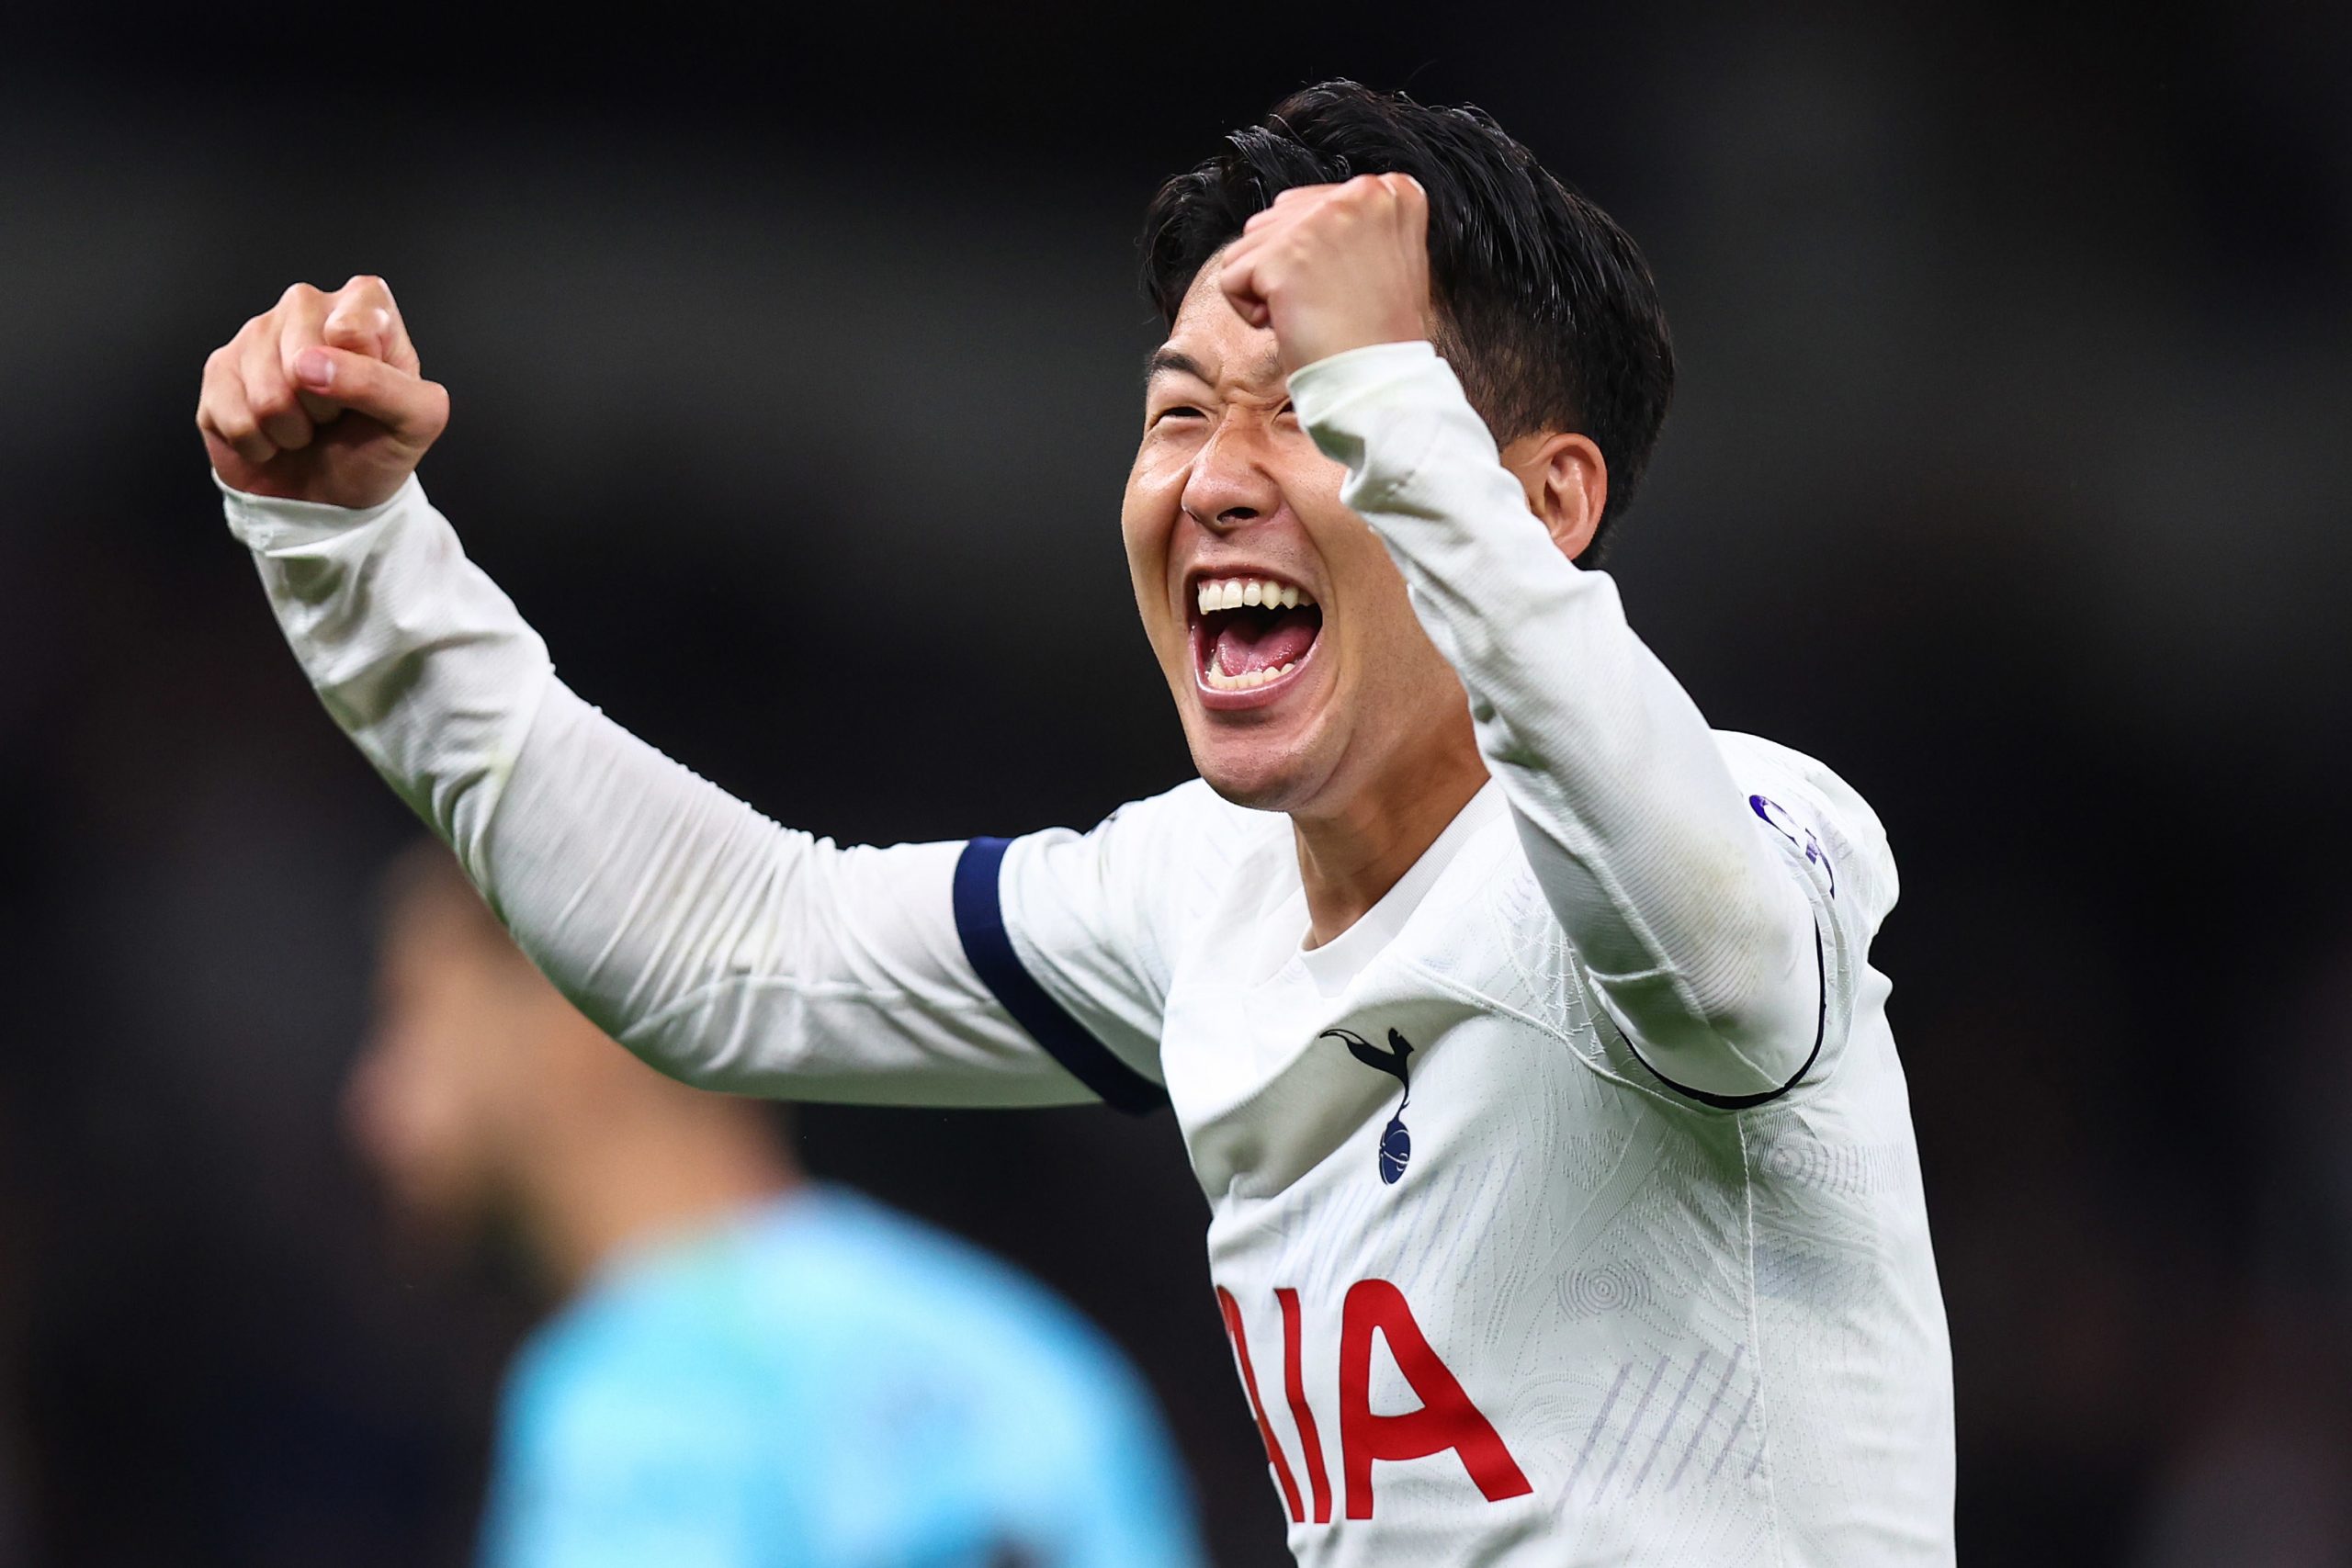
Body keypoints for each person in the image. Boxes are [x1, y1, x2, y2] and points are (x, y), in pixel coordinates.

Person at [199, 80, 1954, 1565]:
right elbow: (735, 949)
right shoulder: (1200, 894)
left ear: (1540, 500)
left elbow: (1699, 925)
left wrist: (1400, 403)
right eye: (1181, 413)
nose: (1213, 478)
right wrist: (355, 556)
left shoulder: (1744, 829)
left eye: (1314, 410)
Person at [348, 840, 1205, 1568]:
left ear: (577, 1008)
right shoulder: (1035, 1361)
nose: (372, 1103)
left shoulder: (631, 1395)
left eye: (412, 1013)